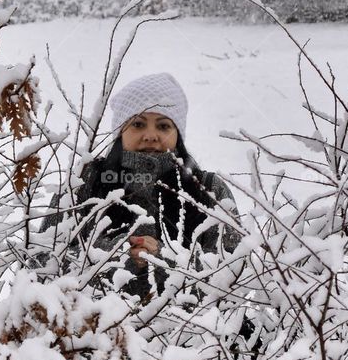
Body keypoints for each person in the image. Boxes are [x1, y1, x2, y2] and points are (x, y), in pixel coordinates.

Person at [42, 73, 241, 297]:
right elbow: (40, 265)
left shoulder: (209, 190)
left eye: (163, 126)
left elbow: (234, 277)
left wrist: (165, 261)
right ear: (121, 130)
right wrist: (113, 255)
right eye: (138, 124)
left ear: (177, 134)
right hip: (91, 320)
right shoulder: (82, 182)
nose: (151, 135)